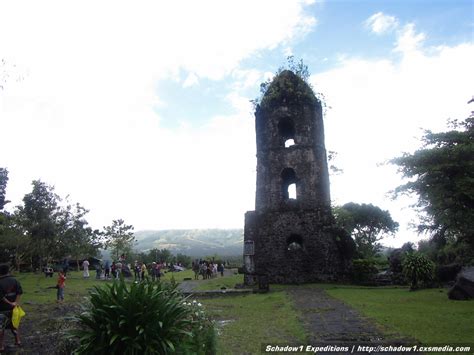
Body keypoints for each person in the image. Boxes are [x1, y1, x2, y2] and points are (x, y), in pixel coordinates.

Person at [0, 264, 23, 351]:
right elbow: (19, 292)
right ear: (8, 271)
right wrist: (15, 303)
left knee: (1, 328)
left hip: (2, 309)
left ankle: (1, 346)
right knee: (15, 325)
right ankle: (18, 341)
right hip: (14, 309)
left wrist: (10, 303)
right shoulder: (15, 280)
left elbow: (1, 297)